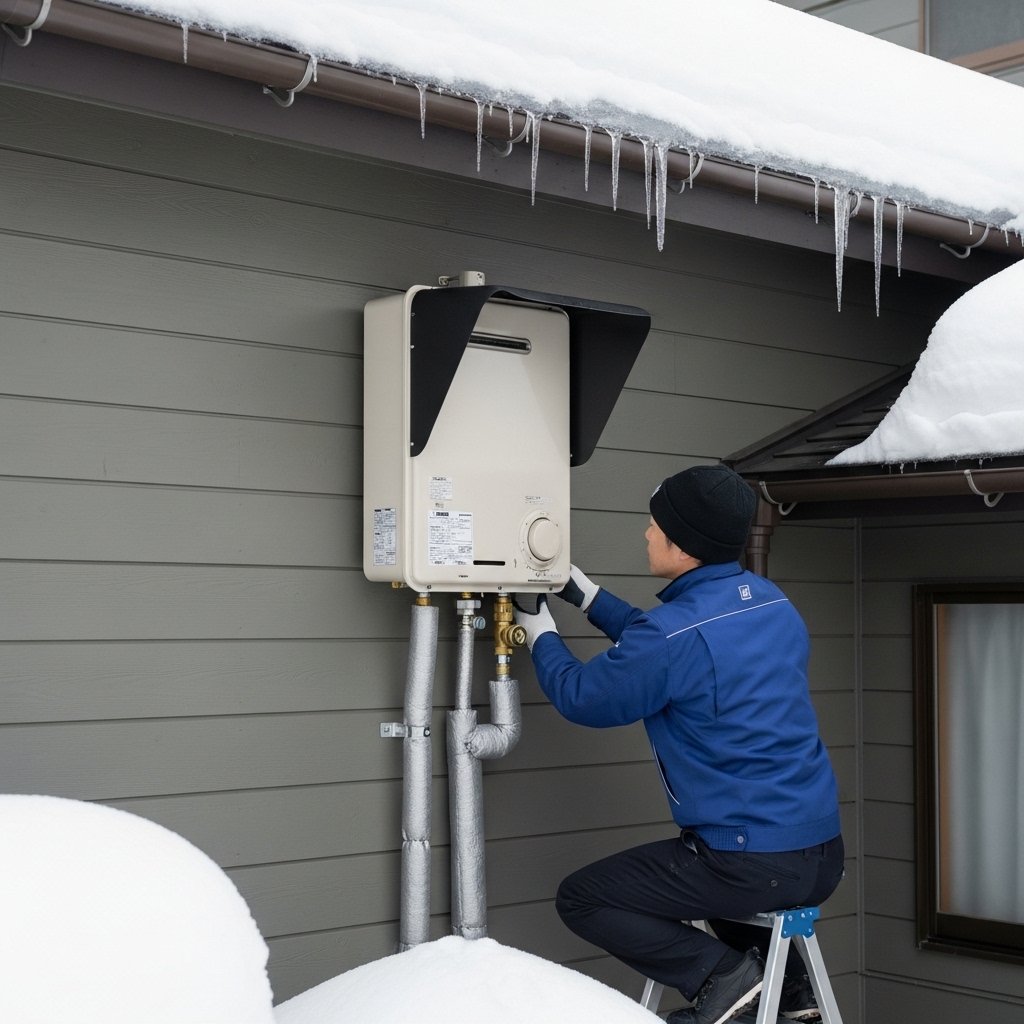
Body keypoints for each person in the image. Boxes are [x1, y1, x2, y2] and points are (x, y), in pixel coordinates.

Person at [513, 465, 843, 1024]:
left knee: (584, 897)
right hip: (820, 856)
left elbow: (585, 696)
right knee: (721, 889)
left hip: (747, 860)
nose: (645, 533)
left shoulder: (674, 637)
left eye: (655, 526)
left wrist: (537, 625)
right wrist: (585, 594)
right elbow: (669, 641)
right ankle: (791, 995)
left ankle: (728, 981)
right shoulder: (770, 603)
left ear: (684, 545)